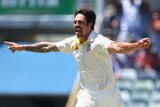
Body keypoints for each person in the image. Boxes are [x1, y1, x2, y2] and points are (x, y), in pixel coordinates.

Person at [4, 9, 150, 107]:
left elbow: (118, 47)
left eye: (80, 22)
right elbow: (47, 47)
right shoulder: (73, 42)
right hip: (87, 94)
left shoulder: (99, 41)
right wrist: (23, 47)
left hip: (108, 95)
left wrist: (136, 45)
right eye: (75, 22)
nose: (76, 25)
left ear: (90, 25)